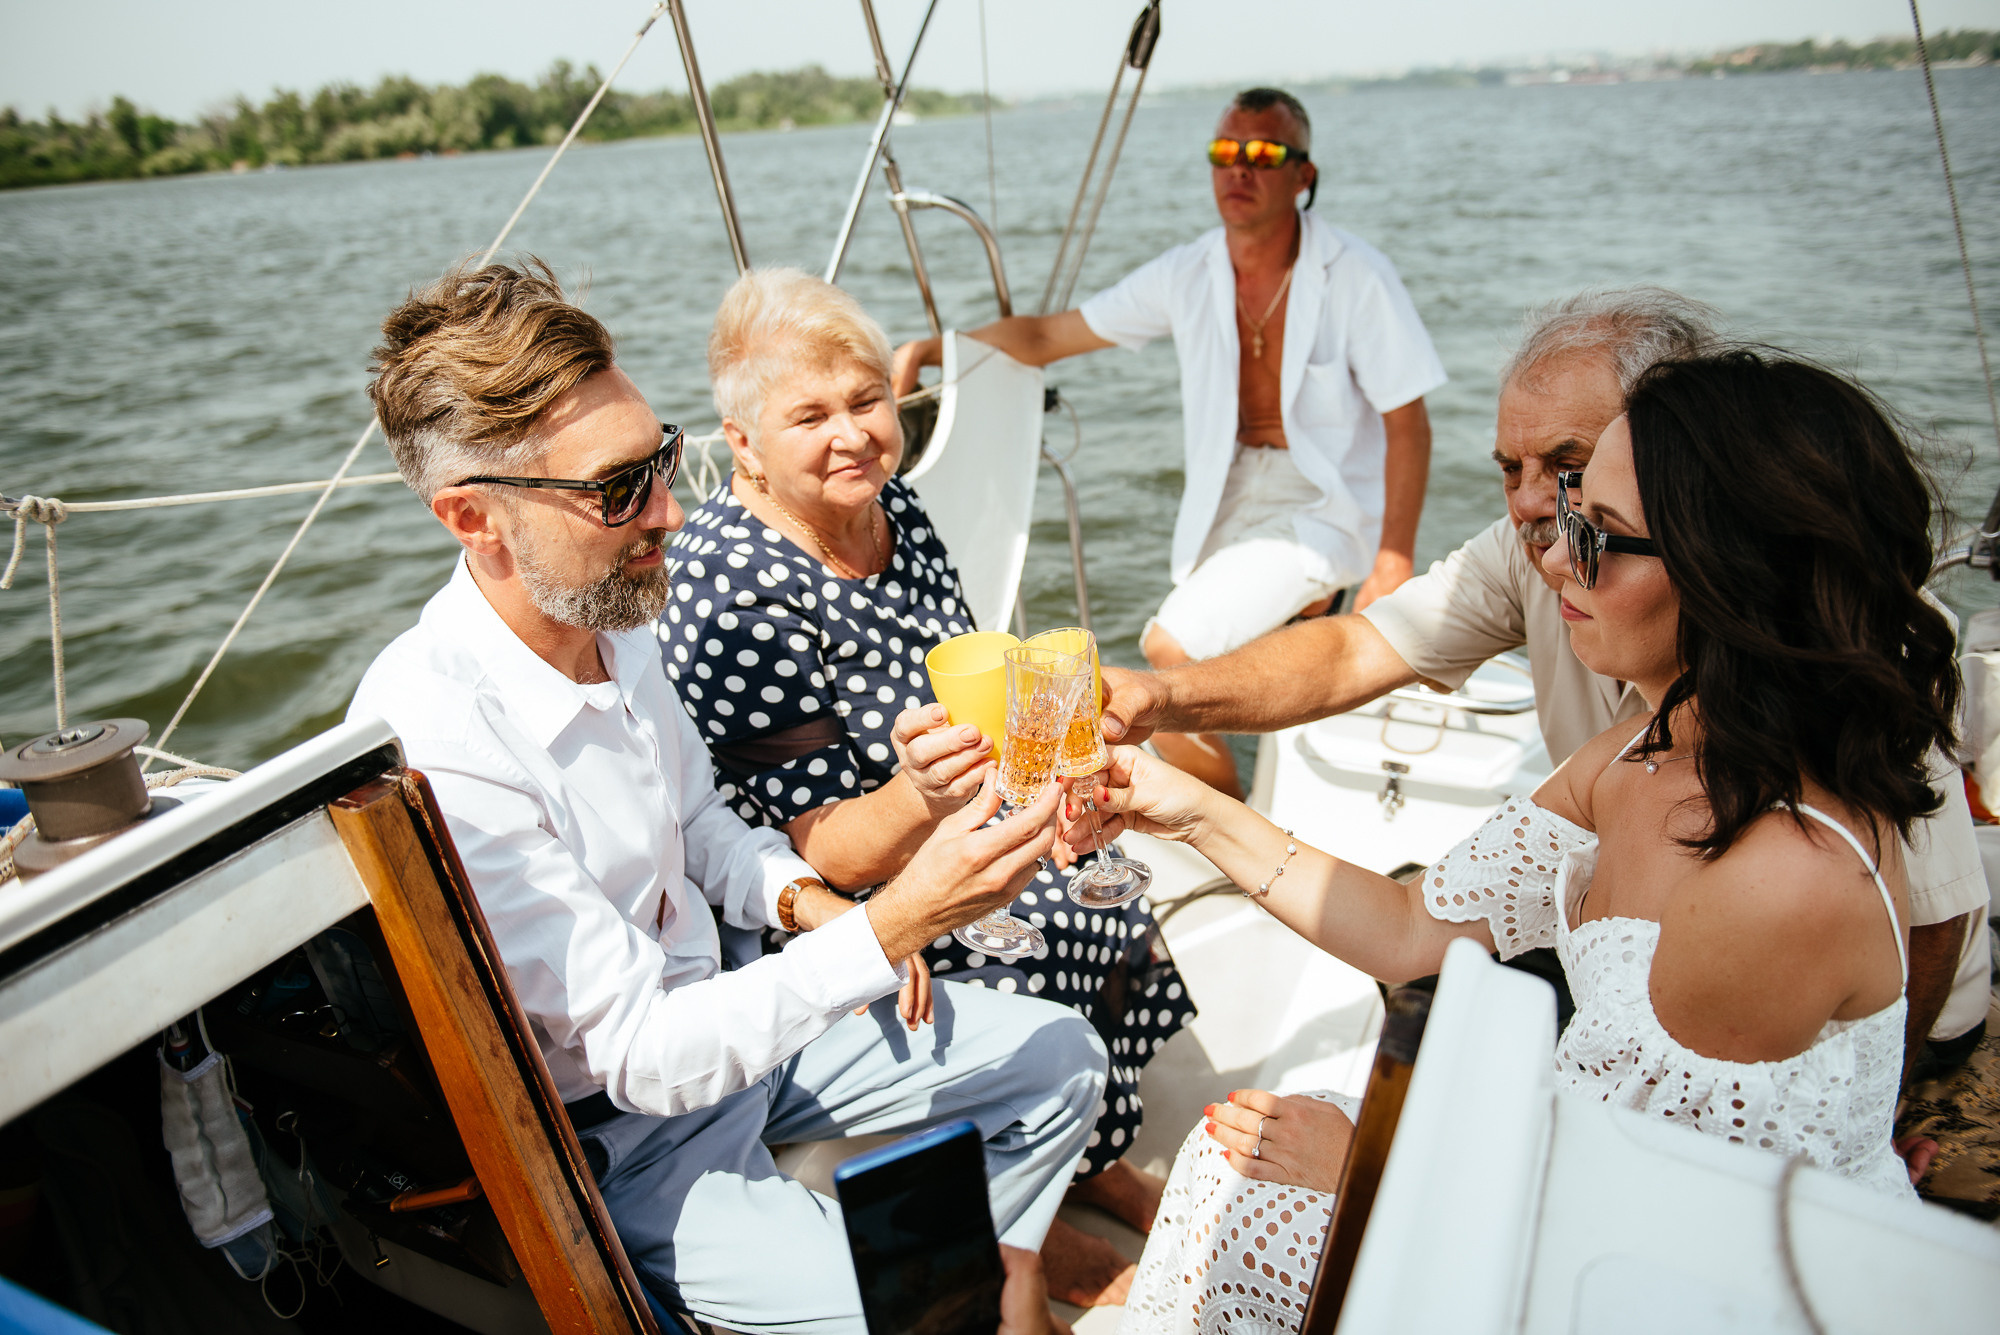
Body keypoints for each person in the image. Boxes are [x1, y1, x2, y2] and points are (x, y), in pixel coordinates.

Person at [1074, 349, 1953, 1330]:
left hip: (1697, 1289)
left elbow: (1649, 1244)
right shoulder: (1650, 740)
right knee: (1229, 1174)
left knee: (1233, 1196)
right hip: (1601, 1208)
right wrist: (1181, 808)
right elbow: (1412, 926)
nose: (1555, 555)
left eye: (1602, 535)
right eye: (1571, 516)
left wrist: (1375, 1164)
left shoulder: (1773, 884)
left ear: (1725, 576)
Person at [346, 258, 1109, 1335]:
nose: (667, 511)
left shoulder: (617, 615)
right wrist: (898, 921)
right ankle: (944, 1293)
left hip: (751, 1029)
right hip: (624, 1132)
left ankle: (988, 1280)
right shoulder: (441, 740)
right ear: (474, 518)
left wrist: (810, 905)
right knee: (919, 1296)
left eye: (660, 460)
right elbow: (643, 1056)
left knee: (1060, 1063)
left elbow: (701, 826)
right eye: (617, 490)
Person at [1098, 287, 1990, 1087]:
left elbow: (1936, 917)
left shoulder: (1853, 669)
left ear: (1688, 470)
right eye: (1508, 468)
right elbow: (1356, 661)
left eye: (1569, 471)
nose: (1537, 518)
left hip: (1892, 1026)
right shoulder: (1629, 735)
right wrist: (1163, 723)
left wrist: (1890, 1098)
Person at [662, 266, 1194, 1307]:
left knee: (1103, 875)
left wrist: (1057, 755)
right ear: (745, 446)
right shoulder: (731, 585)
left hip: (948, 805)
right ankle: (1030, 1237)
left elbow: (973, 672)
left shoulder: (890, 506)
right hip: (830, 885)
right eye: (808, 415)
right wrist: (924, 800)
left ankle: (1095, 1154)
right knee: (1026, 921)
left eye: (865, 401)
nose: (852, 433)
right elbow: (820, 849)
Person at [893, 87, 1445, 799]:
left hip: (1324, 498)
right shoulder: (1188, 273)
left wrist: (1392, 562)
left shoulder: (1357, 275)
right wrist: (926, 350)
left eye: (1263, 154)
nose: (1239, 168)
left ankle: (1226, 806)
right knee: (1207, 643)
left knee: (1168, 646)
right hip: (1229, 487)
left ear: (1303, 174)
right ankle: (1227, 780)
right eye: (1225, 152)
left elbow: (1409, 423)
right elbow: (1046, 336)